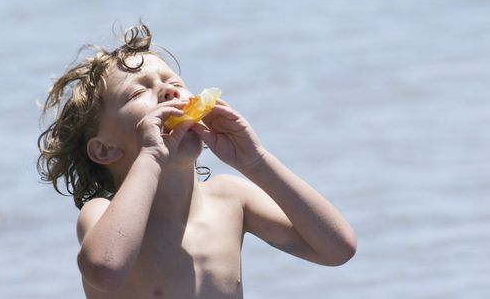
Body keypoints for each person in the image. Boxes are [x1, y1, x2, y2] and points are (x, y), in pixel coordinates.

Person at [37, 22, 356, 299]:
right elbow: (105, 270)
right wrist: (151, 157)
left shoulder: (232, 199)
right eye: (138, 93)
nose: (167, 92)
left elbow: (338, 249)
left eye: (174, 83)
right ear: (105, 150)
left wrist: (255, 161)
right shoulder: (102, 213)